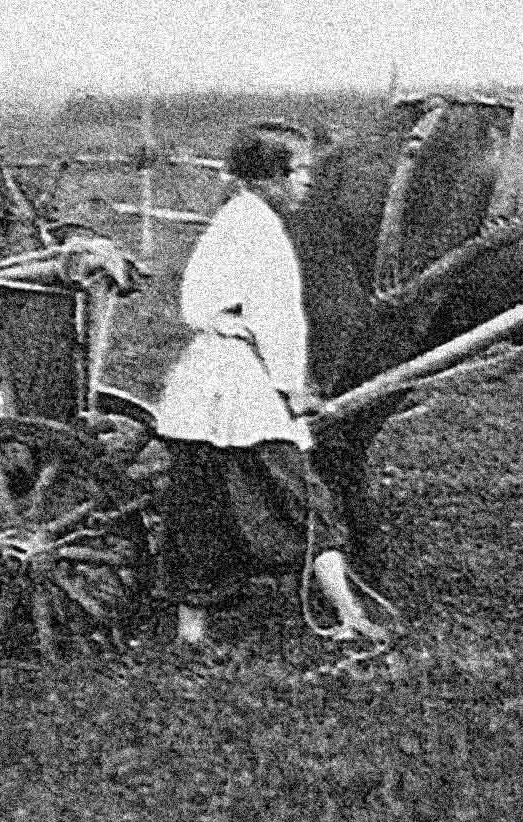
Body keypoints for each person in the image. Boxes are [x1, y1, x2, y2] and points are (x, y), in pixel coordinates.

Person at [155, 120, 392, 651]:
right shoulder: (260, 232)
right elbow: (278, 321)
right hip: (243, 389)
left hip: (200, 389)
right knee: (305, 501)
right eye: (300, 171)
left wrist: (221, 324)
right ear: (270, 178)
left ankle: (191, 630)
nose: (307, 181)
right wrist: (292, 389)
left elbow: (195, 303)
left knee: (200, 507)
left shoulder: (230, 221)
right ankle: (350, 615)